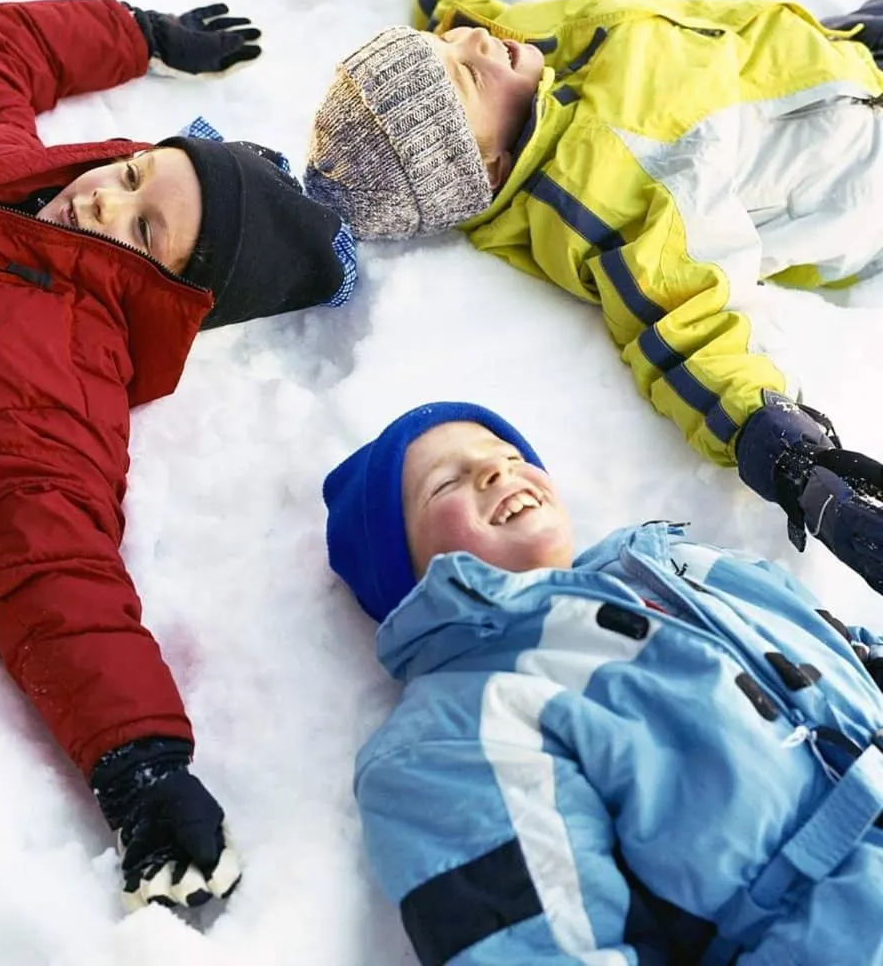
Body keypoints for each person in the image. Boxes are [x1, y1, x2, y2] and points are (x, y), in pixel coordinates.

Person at [0, 0, 357, 912]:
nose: (106, 199)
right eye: (135, 174)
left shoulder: (55, 390)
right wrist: (138, 31)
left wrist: (140, 763)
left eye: (143, 230)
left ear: (170, 293)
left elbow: (50, 570)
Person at [302, 0, 883, 599]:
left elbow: (450, 2)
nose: (473, 38)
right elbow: (680, 330)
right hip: (862, 167)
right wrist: (794, 460)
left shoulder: (501, 60)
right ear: (487, 167)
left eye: (447, 45)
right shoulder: (604, 190)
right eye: (466, 71)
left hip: (836, 52)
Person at [322, 400, 883, 965]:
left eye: (509, 456)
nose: (496, 470)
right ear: (399, 570)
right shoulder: (453, 730)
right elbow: (539, 950)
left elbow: (844, 647)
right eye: (445, 483)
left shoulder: (679, 564)